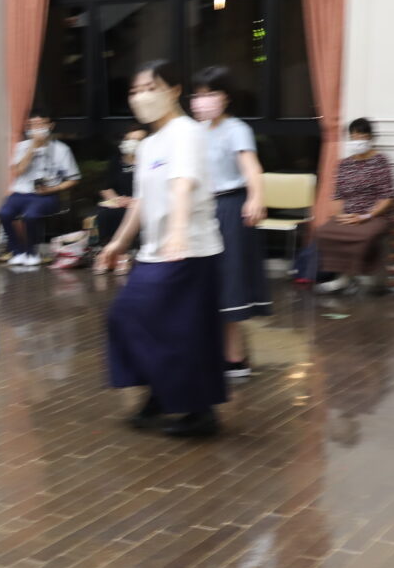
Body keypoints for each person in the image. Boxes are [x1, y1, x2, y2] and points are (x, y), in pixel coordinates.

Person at [96, 60, 226, 438]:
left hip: (191, 250)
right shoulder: (150, 143)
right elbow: (140, 201)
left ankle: (199, 413)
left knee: (178, 330)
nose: (141, 97)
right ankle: (161, 393)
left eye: (150, 88)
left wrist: (179, 233)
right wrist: (118, 242)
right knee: (129, 318)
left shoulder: (186, 133)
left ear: (174, 90)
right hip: (156, 251)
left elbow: (182, 184)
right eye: (135, 91)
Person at [191, 67, 270, 377]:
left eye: (210, 93)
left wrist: (255, 198)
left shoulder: (236, 129)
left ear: (226, 97)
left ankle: (235, 358)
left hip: (229, 206)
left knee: (229, 279)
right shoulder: (196, 130)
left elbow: (251, 168)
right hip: (202, 207)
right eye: (198, 94)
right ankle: (213, 351)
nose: (203, 100)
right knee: (205, 280)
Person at [312, 118, 394, 294]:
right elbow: (337, 195)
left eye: (362, 136)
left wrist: (366, 216)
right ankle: (343, 278)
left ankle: (357, 276)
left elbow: (388, 197)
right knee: (324, 231)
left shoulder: (380, 161)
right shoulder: (344, 164)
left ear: (371, 138)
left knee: (362, 234)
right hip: (349, 214)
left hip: (374, 216)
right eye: (354, 137)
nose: (357, 140)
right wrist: (340, 215)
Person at [0, 110, 78, 268]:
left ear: (50, 125)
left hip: (47, 195)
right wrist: (32, 147)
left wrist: (54, 188)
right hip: (20, 193)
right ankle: (17, 252)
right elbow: (18, 171)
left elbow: (74, 179)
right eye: (33, 125)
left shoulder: (61, 149)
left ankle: (31, 253)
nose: (37, 128)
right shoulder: (21, 146)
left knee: (31, 216)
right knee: (4, 213)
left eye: (41, 124)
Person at [92, 128, 146, 271]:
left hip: (141, 204)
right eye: (129, 139)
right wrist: (118, 200)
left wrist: (133, 202)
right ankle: (107, 252)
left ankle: (123, 254)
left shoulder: (149, 162)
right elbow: (106, 188)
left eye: (138, 140)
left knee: (130, 215)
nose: (132, 143)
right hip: (119, 203)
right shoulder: (116, 161)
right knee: (105, 213)